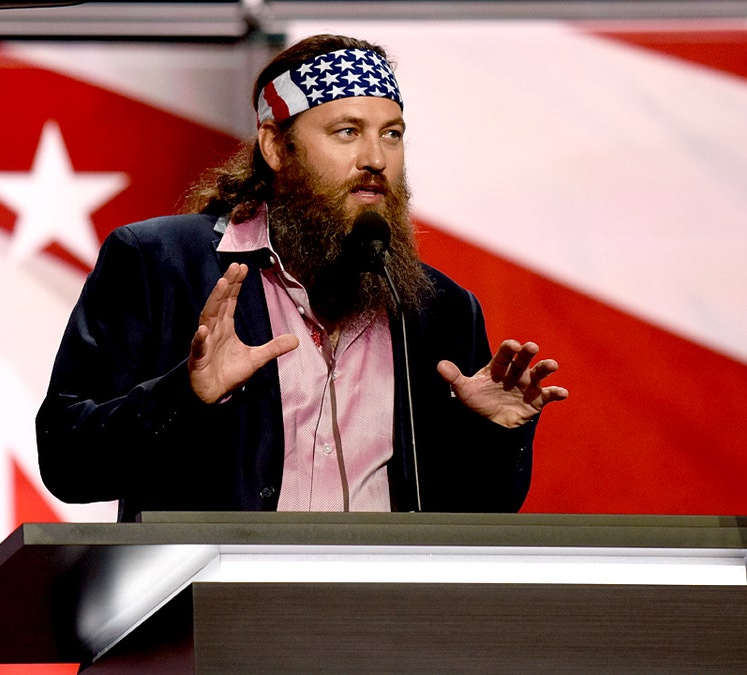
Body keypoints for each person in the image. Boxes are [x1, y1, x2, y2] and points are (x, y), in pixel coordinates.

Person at [36, 34, 567, 521]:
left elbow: (471, 516)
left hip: (384, 617)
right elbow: (67, 461)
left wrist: (492, 435)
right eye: (347, 132)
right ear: (275, 147)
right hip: (216, 613)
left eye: (392, 134)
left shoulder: (439, 309)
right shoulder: (161, 264)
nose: (376, 158)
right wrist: (183, 394)